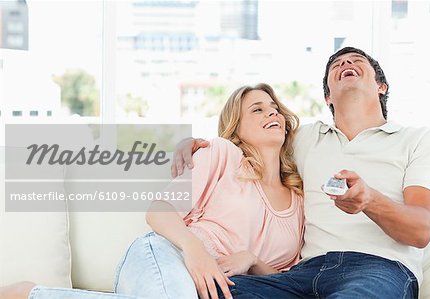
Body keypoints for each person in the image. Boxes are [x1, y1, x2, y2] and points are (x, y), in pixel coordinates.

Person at [171, 47, 430, 298]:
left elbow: (421, 230)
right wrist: (193, 144)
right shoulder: (304, 140)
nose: (345, 63)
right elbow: (253, 143)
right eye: (336, 64)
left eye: (356, 60)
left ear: (381, 86)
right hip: (301, 276)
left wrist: (369, 200)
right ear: (328, 96)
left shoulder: (418, 140)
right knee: (214, 292)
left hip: (377, 268)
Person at [0, 83, 304, 299]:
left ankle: (29, 295)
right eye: (258, 109)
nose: (272, 114)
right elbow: (159, 210)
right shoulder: (223, 154)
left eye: (275, 109)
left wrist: (249, 258)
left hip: (217, 289)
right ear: (236, 127)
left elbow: (287, 281)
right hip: (168, 255)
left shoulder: (299, 201)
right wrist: (194, 250)